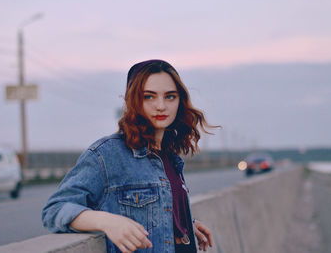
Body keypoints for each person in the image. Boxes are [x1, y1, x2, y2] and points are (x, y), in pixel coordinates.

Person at [42, 59, 215, 252]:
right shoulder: (107, 155)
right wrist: (108, 222)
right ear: (133, 101)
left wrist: (183, 226)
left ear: (179, 102)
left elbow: (154, 211)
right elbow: (55, 209)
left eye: (170, 97)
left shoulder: (169, 157)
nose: (160, 106)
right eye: (149, 97)